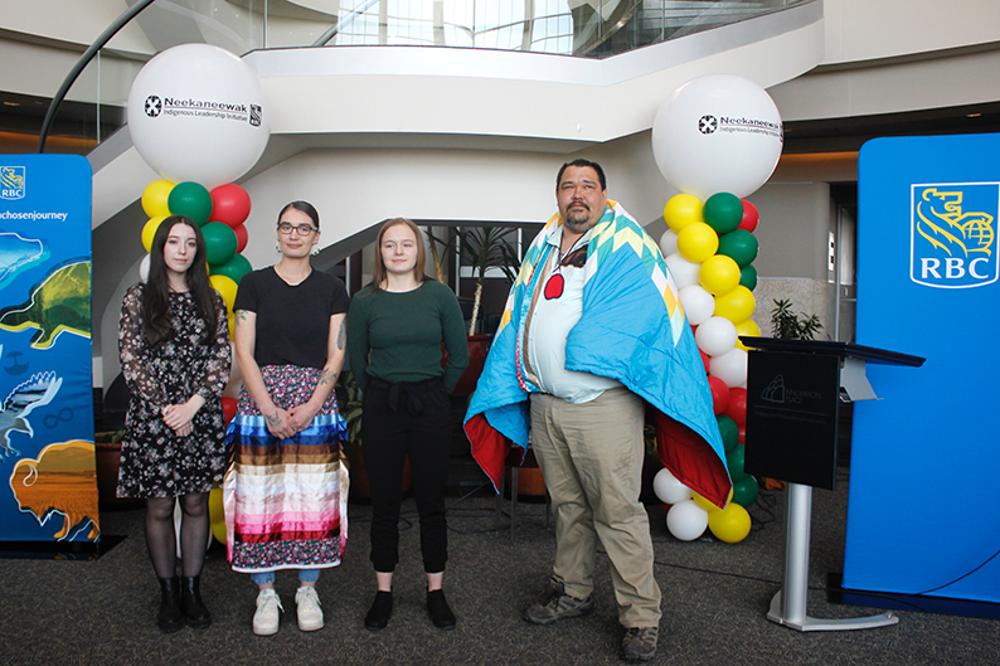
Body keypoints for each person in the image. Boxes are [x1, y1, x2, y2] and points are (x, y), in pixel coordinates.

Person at [464, 159, 731, 662]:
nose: (577, 195)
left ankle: (640, 618)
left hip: (601, 406)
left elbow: (642, 313)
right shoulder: (544, 245)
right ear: (558, 195)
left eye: (588, 186)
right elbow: (523, 312)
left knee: (618, 512)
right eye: (568, 187)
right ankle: (573, 591)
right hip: (546, 403)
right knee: (566, 508)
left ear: (604, 194)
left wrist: (583, 346)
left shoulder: (628, 245)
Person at [225, 201, 350, 636]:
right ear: (277, 234)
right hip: (262, 402)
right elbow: (244, 350)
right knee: (261, 500)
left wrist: (312, 406)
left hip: (315, 403)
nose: (294, 234)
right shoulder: (253, 283)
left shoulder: (332, 288)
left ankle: (306, 588)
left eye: (304, 228)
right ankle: (265, 591)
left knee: (311, 500)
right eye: (287, 227)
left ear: (317, 237)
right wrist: (269, 409)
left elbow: (337, 352)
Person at [346, 217, 469, 631]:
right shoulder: (364, 301)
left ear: (419, 251)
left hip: (430, 404)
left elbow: (460, 356)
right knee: (384, 504)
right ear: (379, 253)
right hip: (384, 405)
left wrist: (436, 391)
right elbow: (356, 363)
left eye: (406, 244)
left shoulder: (440, 296)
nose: (398, 251)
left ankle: (436, 591)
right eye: (389, 245)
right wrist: (380, 393)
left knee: (432, 501)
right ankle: (384, 592)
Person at [118, 215, 231, 633]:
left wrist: (194, 405)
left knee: (197, 503)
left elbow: (221, 356)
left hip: (199, 416)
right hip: (155, 418)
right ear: (161, 248)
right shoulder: (138, 298)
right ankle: (167, 595)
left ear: (197, 251)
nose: (181, 250)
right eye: (173, 242)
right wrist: (170, 408)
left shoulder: (211, 299)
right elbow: (131, 361)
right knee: (161, 504)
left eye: (189, 243)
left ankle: (192, 590)